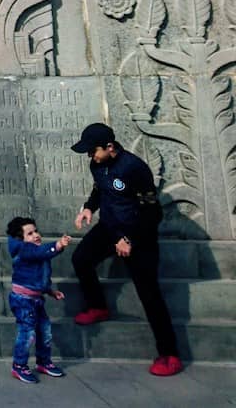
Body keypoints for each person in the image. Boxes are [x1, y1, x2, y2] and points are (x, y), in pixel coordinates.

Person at [70, 122, 182, 376]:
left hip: (139, 234)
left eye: (93, 150)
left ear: (110, 146)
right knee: (81, 259)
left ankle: (170, 354)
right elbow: (100, 189)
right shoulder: (97, 164)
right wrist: (89, 208)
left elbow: (152, 213)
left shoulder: (134, 168)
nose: (90, 156)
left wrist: (129, 239)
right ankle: (98, 306)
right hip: (110, 228)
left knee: (149, 294)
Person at [6, 216, 71, 383]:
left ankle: (43, 361)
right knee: (27, 333)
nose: (36, 235)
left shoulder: (37, 252)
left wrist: (50, 291)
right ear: (20, 239)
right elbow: (39, 252)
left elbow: (39, 278)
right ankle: (19, 365)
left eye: (36, 231)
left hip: (36, 298)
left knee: (44, 330)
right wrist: (58, 245)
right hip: (22, 300)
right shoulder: (24, 250)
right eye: (29, 234)